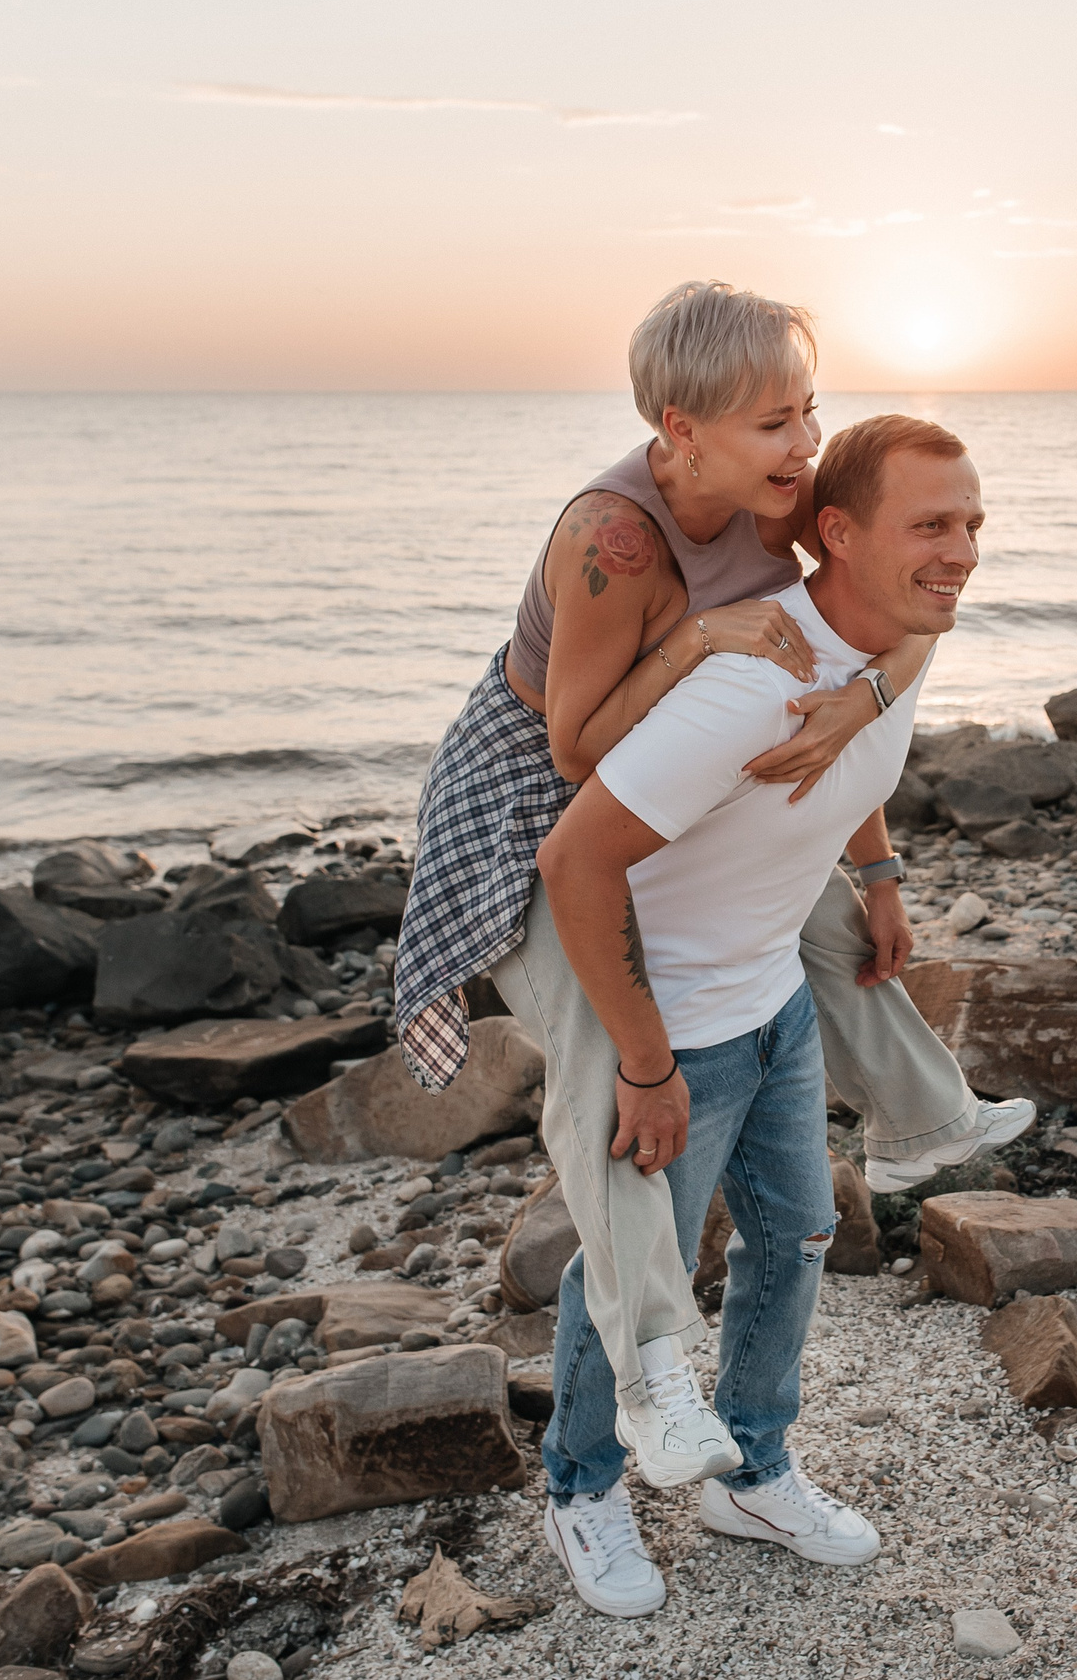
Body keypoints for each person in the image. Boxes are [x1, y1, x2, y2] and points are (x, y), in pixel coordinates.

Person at [391, 284, 1031, 1491]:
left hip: (668, 771)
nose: (801, 447)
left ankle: (923, 1120)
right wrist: (695, 641)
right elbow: (576, 752)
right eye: (770, 423)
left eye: (807, 412)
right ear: (681, 431)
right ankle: (646, 1379)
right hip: (534, 788)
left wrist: (867, 723)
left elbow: (898, 607)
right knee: (610, 1063)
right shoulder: (611, 539)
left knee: (807, 908)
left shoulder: (777, 511)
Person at [530, 413, 979, 1615]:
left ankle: (752, 1467)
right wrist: (641, 1057)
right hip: (674, 1020)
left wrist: (878, 875)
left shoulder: (903, 637)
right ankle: (580, 1483)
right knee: (632, 1272)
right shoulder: (747, 688)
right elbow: (573, 863)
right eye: (931, 525)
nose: (964, 551)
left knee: (797, 1239)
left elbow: (870, 736)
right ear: (835, 533)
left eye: (974, 522)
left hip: (777, 995)